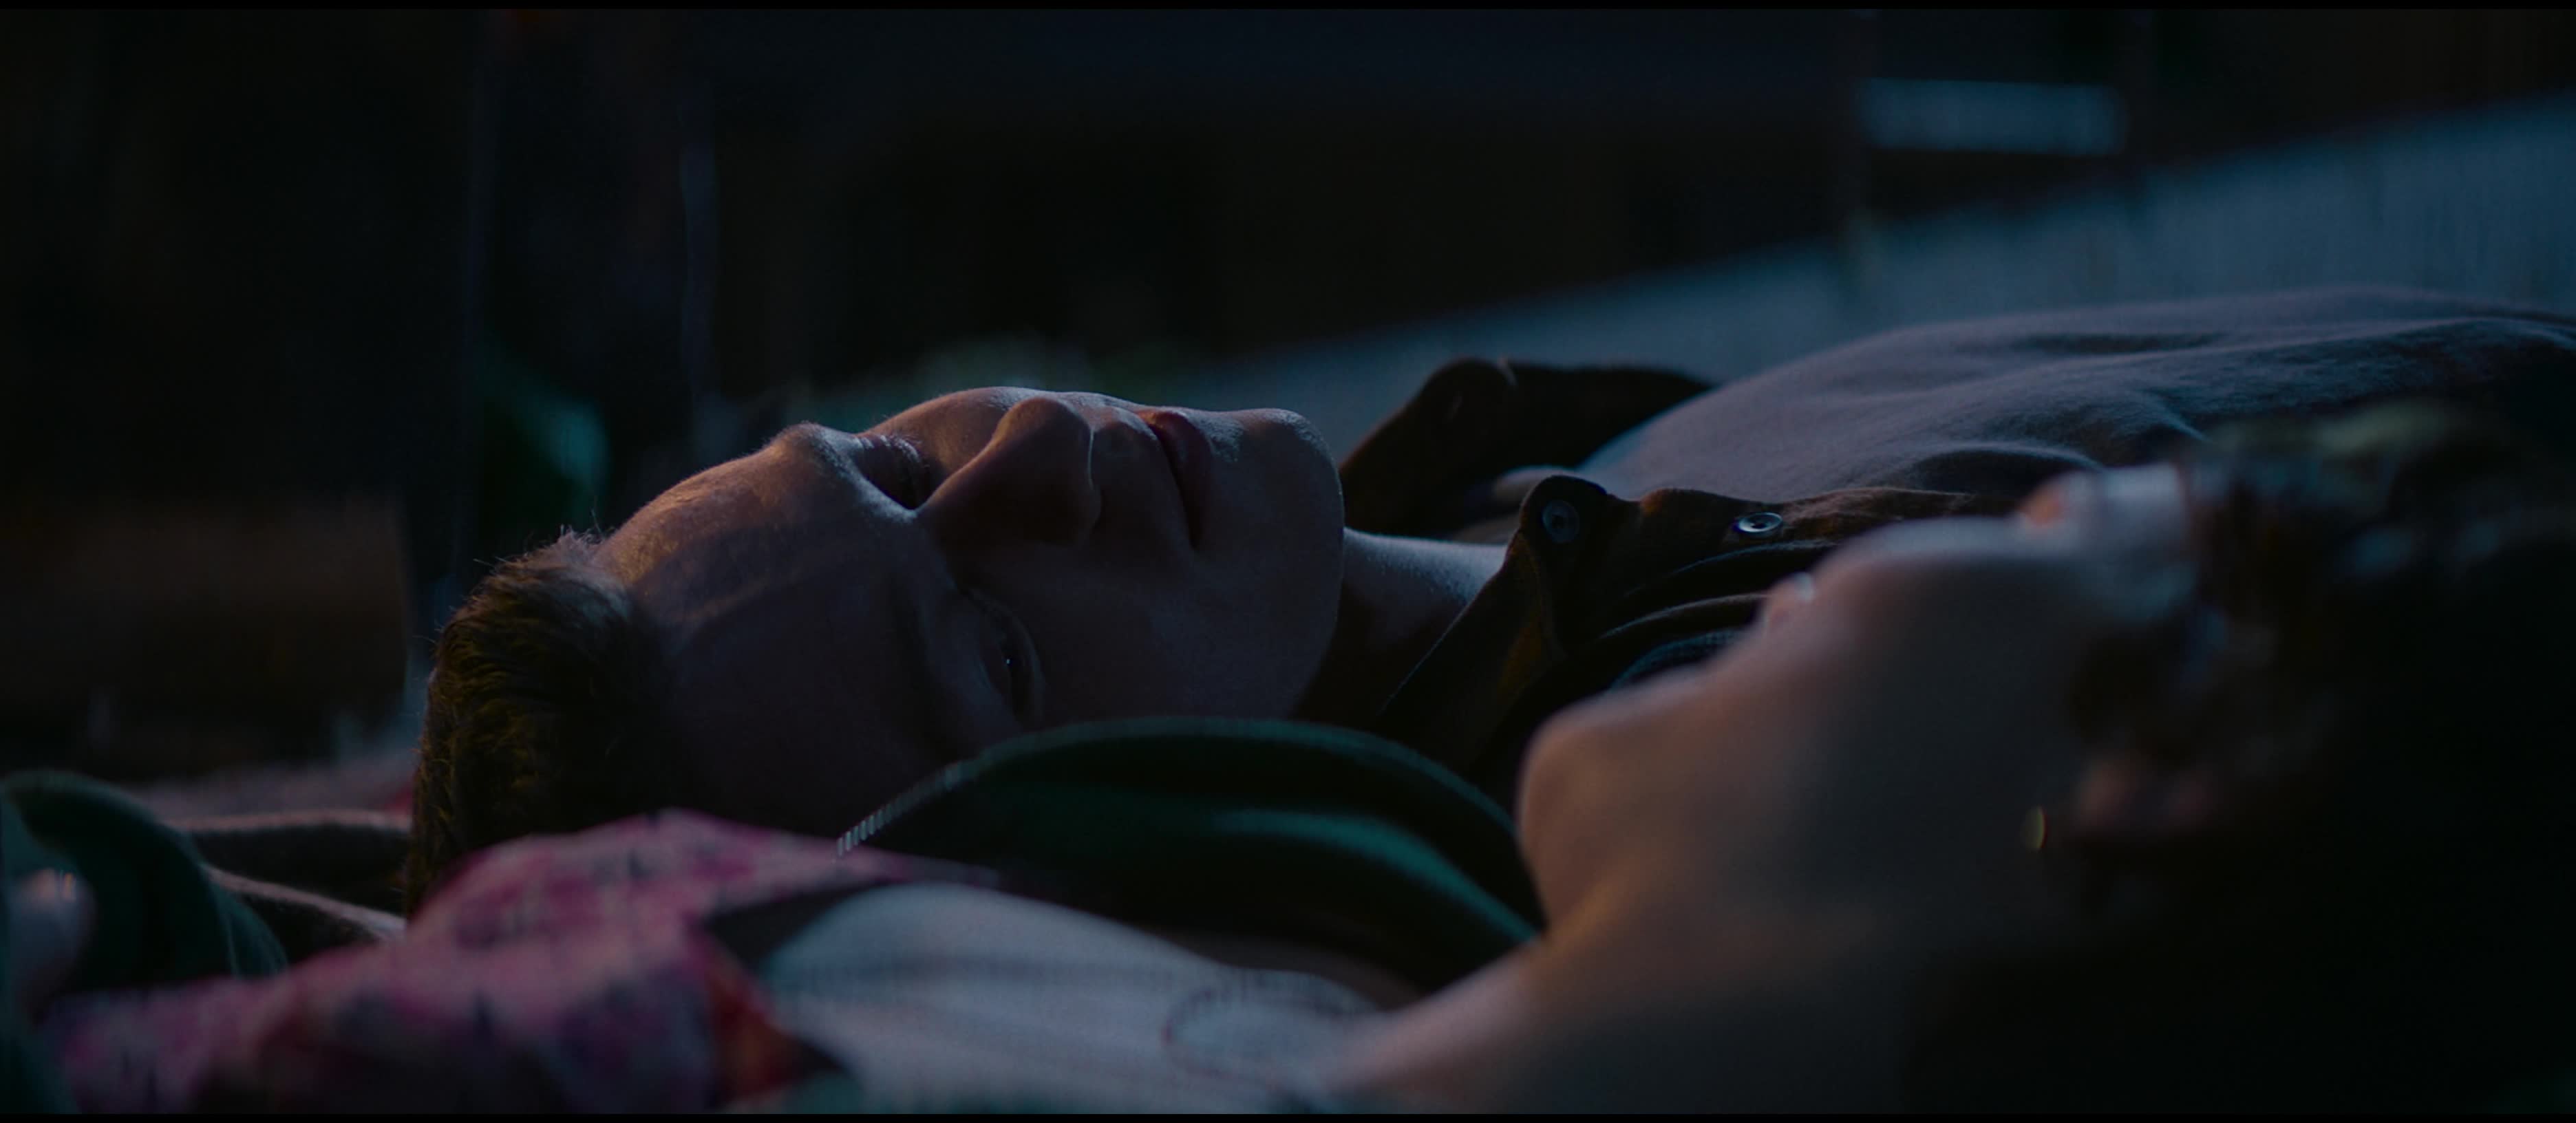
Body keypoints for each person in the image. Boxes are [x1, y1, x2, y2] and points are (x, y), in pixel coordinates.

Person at [0, 398, 2576, 1111]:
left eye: (2080, 523)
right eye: (904, 488)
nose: (1844, 552)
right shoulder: (1266, 931)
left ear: (2162, 781)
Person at [405, 286, 2576, 908]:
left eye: (893, 463)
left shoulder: (1478, 470)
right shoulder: (1741, 770)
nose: (1034, 454)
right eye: (990, 650)